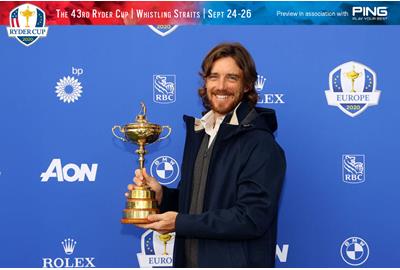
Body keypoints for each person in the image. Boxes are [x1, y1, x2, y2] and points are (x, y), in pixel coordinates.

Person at [128, 42, 286, 267]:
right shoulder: (203, 133)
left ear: (248, 85)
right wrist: (163, 196)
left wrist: (180, 223)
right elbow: (199, 203)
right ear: (205, 82)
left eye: (231, 78)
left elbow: (251, 218)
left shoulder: (261, 144)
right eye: (213, 77)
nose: (221, 86)